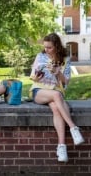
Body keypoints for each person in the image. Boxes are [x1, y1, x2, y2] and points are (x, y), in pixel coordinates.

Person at [29, 32, 84, 162]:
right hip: (39, 91)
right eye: (45, 47)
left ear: (57, 47)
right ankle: (73, 128)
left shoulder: (65, 60)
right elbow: (32, 77)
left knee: (55, 107)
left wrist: (58, 72)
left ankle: (61, 147)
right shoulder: (40, 56)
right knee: (56, 95)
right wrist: (36, 76)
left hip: (56, 91)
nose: (46, 50)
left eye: (49, 47)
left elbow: (66, 82)